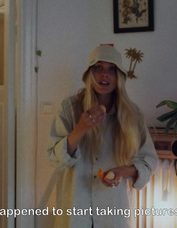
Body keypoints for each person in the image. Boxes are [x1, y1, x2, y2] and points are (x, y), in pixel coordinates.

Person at [47, 45, 158, 227]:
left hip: (113, 211)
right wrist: (81, 129)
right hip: (76, 210)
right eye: (98, 67)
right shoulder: (69, 109)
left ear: (119, 76)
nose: (104, 74)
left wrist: (122, 172)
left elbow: (149, 161)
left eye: (111, 69)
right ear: (90, 73)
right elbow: (54, 157)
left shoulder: (132, 115)